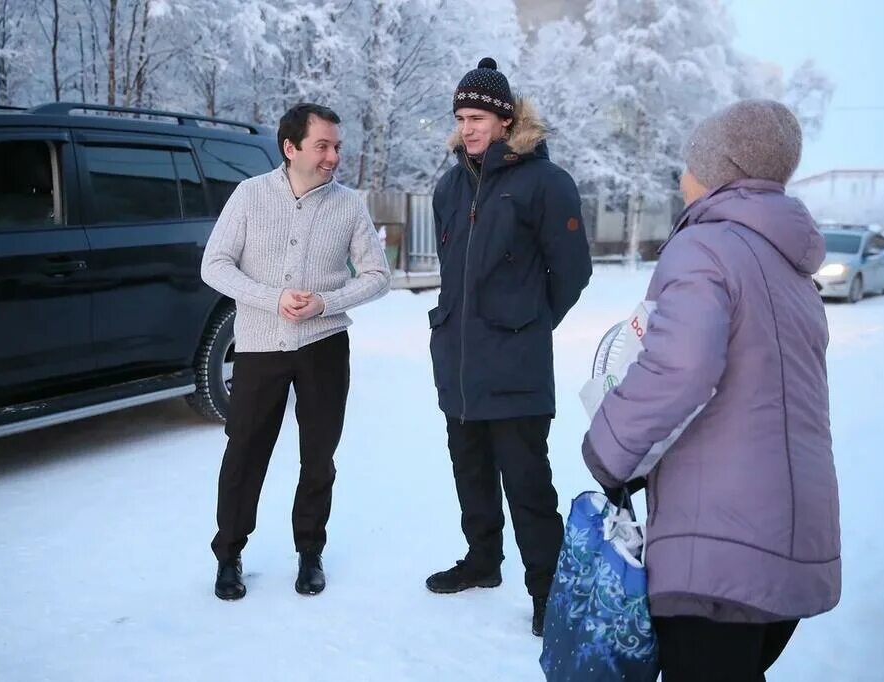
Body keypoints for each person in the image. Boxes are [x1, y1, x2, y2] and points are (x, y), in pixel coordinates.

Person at [582, 99, 841, 681]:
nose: (681, 177)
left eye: (689, 164)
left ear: (719, 170)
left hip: (720, 542)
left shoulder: (704, 247)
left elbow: (683, 368)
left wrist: (607, 446)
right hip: (788, 537)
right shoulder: (790, 268)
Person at [425, 57, 592, 636]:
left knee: (527, 484)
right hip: (459, 363)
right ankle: (482, 561)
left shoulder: (546, 183)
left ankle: (549, 591)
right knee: (469, 470)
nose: (467, 128)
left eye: (477, 117)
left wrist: (528, 321)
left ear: (504, 119)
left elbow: (571, 272)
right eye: (460, 117)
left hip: (515, 364)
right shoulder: (448, 186)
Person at [201, 102, 390, 600]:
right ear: (291, 148)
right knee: (244, 452)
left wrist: (326, 302)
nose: (333, 156)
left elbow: (378, 276)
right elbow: (214, 265)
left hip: (324, 347)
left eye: (337, 146)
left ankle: (310, 550)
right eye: (322, 146)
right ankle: (229, 554)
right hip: (260, 347)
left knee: (318, 455)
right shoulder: (249, 196)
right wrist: (273, 299)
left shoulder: (348, 205)